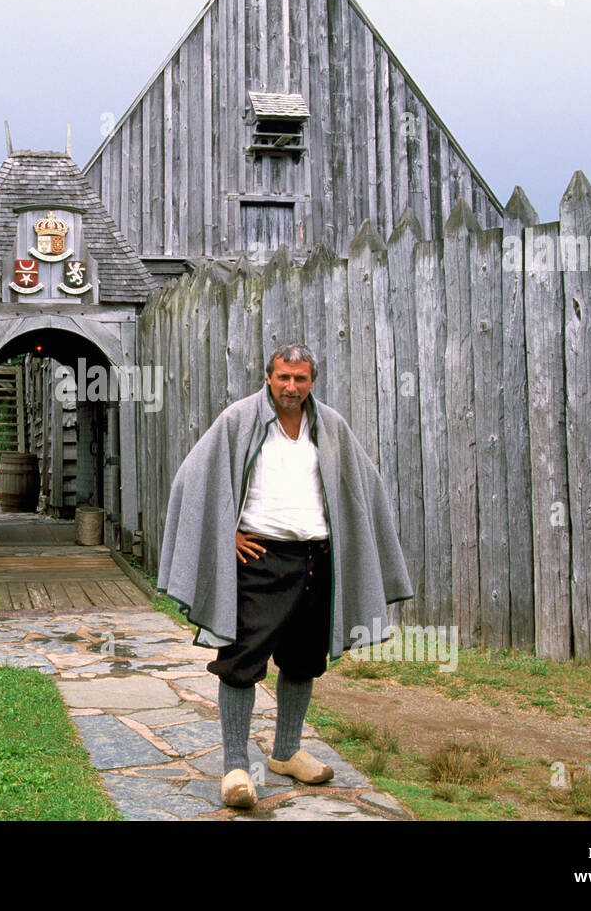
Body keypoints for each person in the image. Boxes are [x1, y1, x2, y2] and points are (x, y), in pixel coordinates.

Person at [157, 343, 414, 808]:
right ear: (269, 378)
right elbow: (190, 480)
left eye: (300, 378)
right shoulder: (239, 420)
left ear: (312, 381)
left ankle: (287, 752)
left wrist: (343, 531)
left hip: (315, 560)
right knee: (241, 662)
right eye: (283, 377)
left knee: (303, 660)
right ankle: (236, 766)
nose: (291, 387)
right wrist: (226, 533)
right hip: (259, 559)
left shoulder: (330, 426)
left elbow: (364, 484)